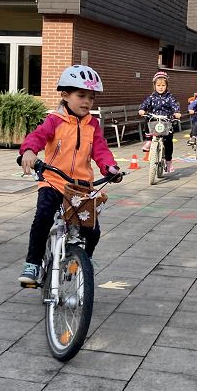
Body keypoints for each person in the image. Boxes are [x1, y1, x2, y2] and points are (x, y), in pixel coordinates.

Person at [17, 65, 121, 286]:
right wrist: (29, 151)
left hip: (81, 187)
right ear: (65, 95)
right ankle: (33, 264)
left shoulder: (93, 124)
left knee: (92, 231)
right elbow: (37, 136)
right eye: (81, 96)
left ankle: (82, 262)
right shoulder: (54, 120)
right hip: (53, 182)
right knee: (43, 218)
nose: (87, 102)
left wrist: (110, 167)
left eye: (91, 98)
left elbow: (100, 150)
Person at [137, 71, 182, 173]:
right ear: (154, 86)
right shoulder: (152, 97)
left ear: (167, 86)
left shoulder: (170, 97)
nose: (161, 87)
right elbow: (145, 104)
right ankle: (149, 140)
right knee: (146, 119)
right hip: (154, 119)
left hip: (166, 120)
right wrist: (142, 109)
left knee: (168, 141)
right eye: (158, 85)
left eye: (163, 85)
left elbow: (175, 105)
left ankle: (168, 162)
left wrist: (177, 112)